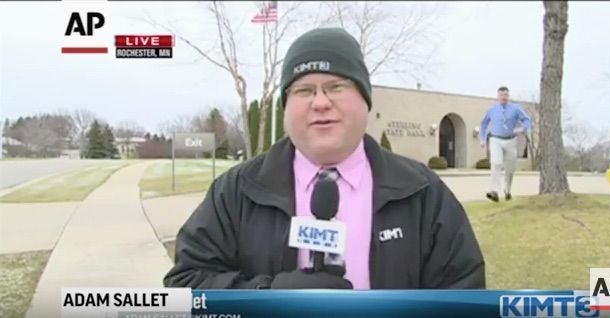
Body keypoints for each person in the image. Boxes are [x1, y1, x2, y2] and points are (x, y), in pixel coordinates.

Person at [163, 28, 485, 290]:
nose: (320, 102)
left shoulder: (421, 191)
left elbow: (463, 293)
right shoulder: (237, 191)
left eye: (336, 86)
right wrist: (266, 296)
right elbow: (185, 284)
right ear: (286, 108)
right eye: (303, 90)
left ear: (365, 100)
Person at [479, 86, 532, 202]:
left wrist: (522, 129)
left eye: (506, 95)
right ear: (497, 97)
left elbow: (527, 120)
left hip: (511, 140)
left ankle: (507, 190)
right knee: (496, 163)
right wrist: (482, 139)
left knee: (510, 168)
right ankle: (494, 191)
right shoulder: (492, 110)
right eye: (501, 95)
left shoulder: (515, 109)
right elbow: (483, 124)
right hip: (495, 139)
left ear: (509, 96)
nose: (504, 97)